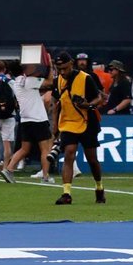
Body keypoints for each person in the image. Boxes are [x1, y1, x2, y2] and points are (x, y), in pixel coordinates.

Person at [50, 52, 106, 205]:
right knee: (69, 154)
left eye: (65, 68)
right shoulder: (57, 81)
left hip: (88, 122)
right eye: (59, 69)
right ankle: (66, 193)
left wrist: (87, 105)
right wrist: (55, 127)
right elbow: (56, 105)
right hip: (68, 122)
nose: (62, 72)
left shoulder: (86, 78)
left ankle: (99, 187)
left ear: (72, 64)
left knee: (92, 159)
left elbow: (99, 98)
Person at [0, 64, 54, 183]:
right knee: (45, 149)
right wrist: (49, 66)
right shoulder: (29, 80)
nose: (33, 68)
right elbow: (50, 82)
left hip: (25, 120)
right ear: (24, 70)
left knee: (24, 149)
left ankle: (8, 170)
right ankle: (45, 177)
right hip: (38, 119)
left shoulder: (17, 82)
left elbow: (36, 92)